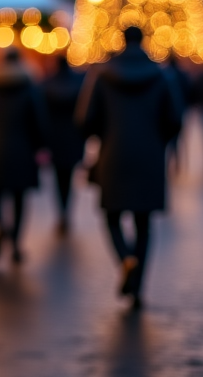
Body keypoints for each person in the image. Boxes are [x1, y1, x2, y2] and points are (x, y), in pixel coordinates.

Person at [77, 27, 181, 308]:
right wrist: (157, 140)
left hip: (113, 155)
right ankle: (137, 288)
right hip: (149, 156)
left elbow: (87, 119)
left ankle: (125, 258)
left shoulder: (103, 75)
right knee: (144, 223)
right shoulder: (161, 76)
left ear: (122, 41)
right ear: (143, 41)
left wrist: (105, 135)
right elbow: (174, 120)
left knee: (111, 215)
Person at [0, 47, 47, 263]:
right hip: (23, 149)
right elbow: (38, 119)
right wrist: (41, 146)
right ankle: (15, 243)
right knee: (19, 199)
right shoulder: (29, 85)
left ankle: (1, 226)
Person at [41, 56, 86, 234]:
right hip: (73, 138)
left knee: (58, 178)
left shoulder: (46, 84)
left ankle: (62, 212)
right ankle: (67, 211)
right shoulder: (78, 84)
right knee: (69, 178)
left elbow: (42, 115)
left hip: (54, 139)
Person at [162, 56, 193, 168]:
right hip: (180, 109)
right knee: (177, 138)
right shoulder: (182, 75)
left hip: (169, 111)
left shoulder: (164, 76)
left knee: (170, 139)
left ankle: (171, 160)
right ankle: (177, 160)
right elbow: (189, 90)